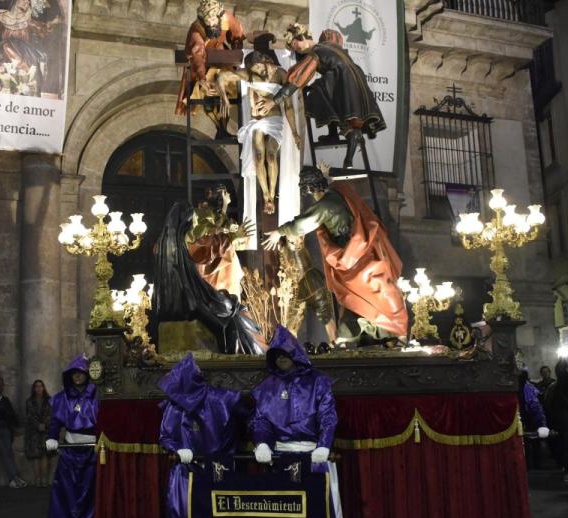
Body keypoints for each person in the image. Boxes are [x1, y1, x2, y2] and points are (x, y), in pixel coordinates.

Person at [262, 167, 408, 342]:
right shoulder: (337, 192)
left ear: (308, 189)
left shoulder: (325, 205)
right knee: (368, 295)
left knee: (362, 295)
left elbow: (303, 224)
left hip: (354, 258)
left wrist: (280, 232)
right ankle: (366, 333)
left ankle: (386, 332)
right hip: (363, 252)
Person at [251, 326, 346, 518]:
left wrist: (324, 445)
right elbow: (261, 420)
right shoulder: (267, 388)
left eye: (286, 355)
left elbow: (328, 417)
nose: (282, 360)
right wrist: (261, 442)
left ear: (295, 355)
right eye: (277, 356)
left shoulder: (318, 383)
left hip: (314, 458)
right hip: (281, 460)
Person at [159, 354, 245, 518]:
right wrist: (178, 449)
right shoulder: (175, 406)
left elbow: (251, 418)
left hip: (219, 473)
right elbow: (166, 436)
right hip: (186, 475)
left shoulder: (223, 399)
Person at [153, 201, 265, 355]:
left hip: (172, 303)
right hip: (192, 297)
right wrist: (231, 238)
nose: (193, 224)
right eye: (192, 219)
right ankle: (247, 358)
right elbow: (202, 253)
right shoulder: (183, 238)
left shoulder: (162, 243)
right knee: (232, 313)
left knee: (230, 307)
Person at [270, 24, 386, 168]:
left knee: (318, 91)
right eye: (293, 48)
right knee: (350, 115)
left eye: (296, 43)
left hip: (341, 78)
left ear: (305, 37)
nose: (297, 48)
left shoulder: (317, 50)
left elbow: (298, 78)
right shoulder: (331, 45)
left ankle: (338, 141)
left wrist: (275, 100)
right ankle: (345, 155)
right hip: (355, 77)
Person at [216, 48, 302, 223]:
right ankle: (266, 195)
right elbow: (222, 77)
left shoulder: (281, 74)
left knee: (271, 157)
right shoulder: (248, 75)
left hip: (275, 121)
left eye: (261, 68)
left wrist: (294, 132)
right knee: (258, 155)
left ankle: (272, 192)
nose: (261, 72)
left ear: (265, 61)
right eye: (255, 70)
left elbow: (289, 107)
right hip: (257, 122)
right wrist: (223, 96)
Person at [45, 355, 98, 518]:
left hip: (91, 452)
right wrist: (51, 437)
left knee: (88, 493)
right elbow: (56, 422)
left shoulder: (97, 396)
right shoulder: (62, 398)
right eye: (74, 373)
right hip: (69, 451)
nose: (77, 376)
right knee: (65, 492)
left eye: (81, 373)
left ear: (87, 375)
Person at [175, 0, 246, 138]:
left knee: (226, 90)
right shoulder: (196, 30)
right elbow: (197, 55)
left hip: (222, 58)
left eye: (214, 20)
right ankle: (220, 128)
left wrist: (237, 53)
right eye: (208, 22)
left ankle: (222, 129)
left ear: (219, 16)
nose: (212, 24)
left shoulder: (227, 18)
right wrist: (202, 78)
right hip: (203, 63)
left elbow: (237, 34)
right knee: (208, 95)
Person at [24, 380, 52, 488]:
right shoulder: (29, 401)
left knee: (45, 455)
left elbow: (51, 414)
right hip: (33, 432)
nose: (39, 388)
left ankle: (44, 479)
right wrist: (38, 425)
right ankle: (37, 479)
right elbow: (30, 416)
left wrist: (44, 424)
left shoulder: (49, 400)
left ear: (44, 388)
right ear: (34, 388)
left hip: (46, 430)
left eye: (41, 386)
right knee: (36, 456)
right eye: (36, 386)